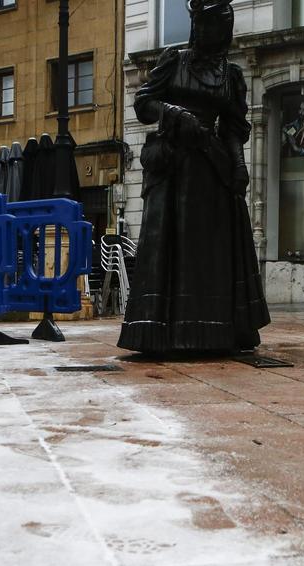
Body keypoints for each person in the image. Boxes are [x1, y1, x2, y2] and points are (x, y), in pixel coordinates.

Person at [117, 0, 269, 354]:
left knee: (208, 253)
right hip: (174, 169)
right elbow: (143, 104)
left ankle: (212, 330)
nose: (208, 32)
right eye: (203, 24)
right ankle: (163, 331)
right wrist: (171, 112)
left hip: (210, 169)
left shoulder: (230, 75)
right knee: (171, 248)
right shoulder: (174, 60)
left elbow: (233, 128)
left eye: (216, 26)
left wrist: (239, 166)